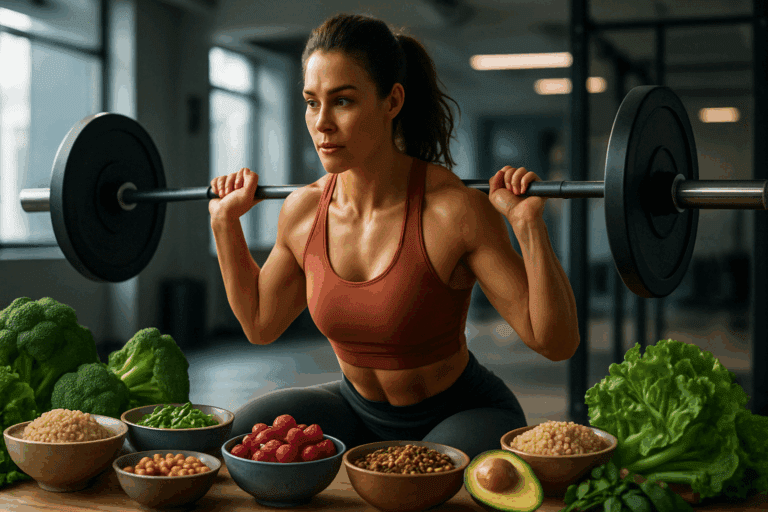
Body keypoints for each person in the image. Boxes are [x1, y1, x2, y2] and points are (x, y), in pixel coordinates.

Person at [208, 12, 580, 460]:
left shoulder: (453, 210)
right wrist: (224, 224)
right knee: (245, 436)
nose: (322, 123)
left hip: (461, 411)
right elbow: (260, 324)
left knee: (420, 479)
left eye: (342, 101)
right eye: (311, 102)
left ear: (392, 101)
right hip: (356, 409)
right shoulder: (303, 211)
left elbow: (556, 343)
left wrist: (529, 227)